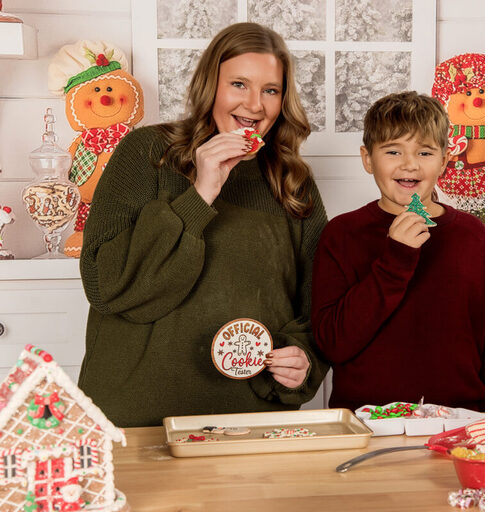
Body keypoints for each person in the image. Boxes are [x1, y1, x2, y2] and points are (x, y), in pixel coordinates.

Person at [77, 22, 328, 427]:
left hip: (251, 422)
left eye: (271, 90)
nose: (255, 105)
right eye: (239, 84)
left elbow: (317, 305)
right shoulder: (147, 152)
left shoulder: (293, 181)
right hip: (135, 420)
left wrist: (304, 358)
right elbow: (106, 286)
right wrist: (201, 191)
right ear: (210, 85)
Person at [311, 91, 485, 412]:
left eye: (425, 152)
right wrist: (396, 258)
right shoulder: (342, 234)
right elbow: (332, 343)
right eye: (393, 151)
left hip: (461, 420)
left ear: (444, 160)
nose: (409, 164)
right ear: (367, 159)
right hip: (367, 421)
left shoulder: (472, 234)